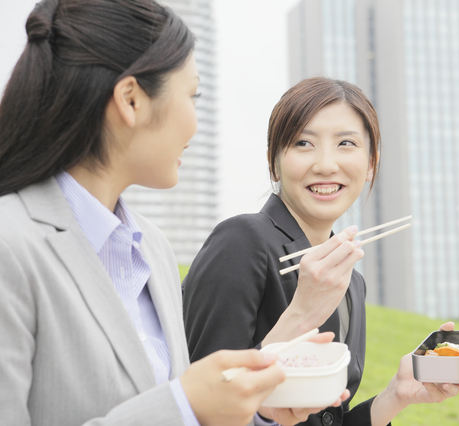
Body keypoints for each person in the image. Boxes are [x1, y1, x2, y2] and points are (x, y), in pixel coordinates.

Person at [0, 1, 345, 425]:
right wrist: (185, 406)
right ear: (131, 100)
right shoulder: (11, 245)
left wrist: (255, 414)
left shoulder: (153, 250)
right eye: (192, 95)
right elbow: (175, 411)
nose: (195, 124)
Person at [182, 77, 459, 426]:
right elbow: (201, 403)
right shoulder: (241, 242)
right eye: (303, 143)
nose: (326, 164)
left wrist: (395, 396)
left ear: (371, 162)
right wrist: (303, 312)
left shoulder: (351, 282)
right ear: (274, 161)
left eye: (346, 143)